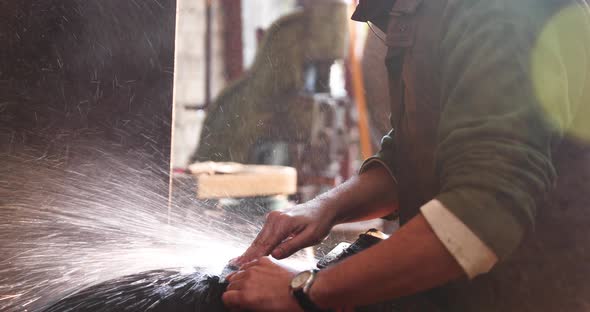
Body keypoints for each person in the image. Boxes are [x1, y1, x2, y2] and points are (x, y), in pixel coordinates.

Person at [222, 0, 590, 311]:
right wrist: (326, 208)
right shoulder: (425, 11)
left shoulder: (499, 13)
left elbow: (485, 210)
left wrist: (305, 291)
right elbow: (418, 155)